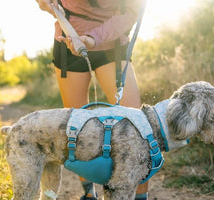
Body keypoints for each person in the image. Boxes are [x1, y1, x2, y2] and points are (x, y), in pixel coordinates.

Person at [35, 0, 148, 199]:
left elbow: (131, 13)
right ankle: (89, 194)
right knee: (76, 128)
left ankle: (140, 197)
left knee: (137, 129)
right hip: (69, 44)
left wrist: (93, 38)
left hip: (112, 46)